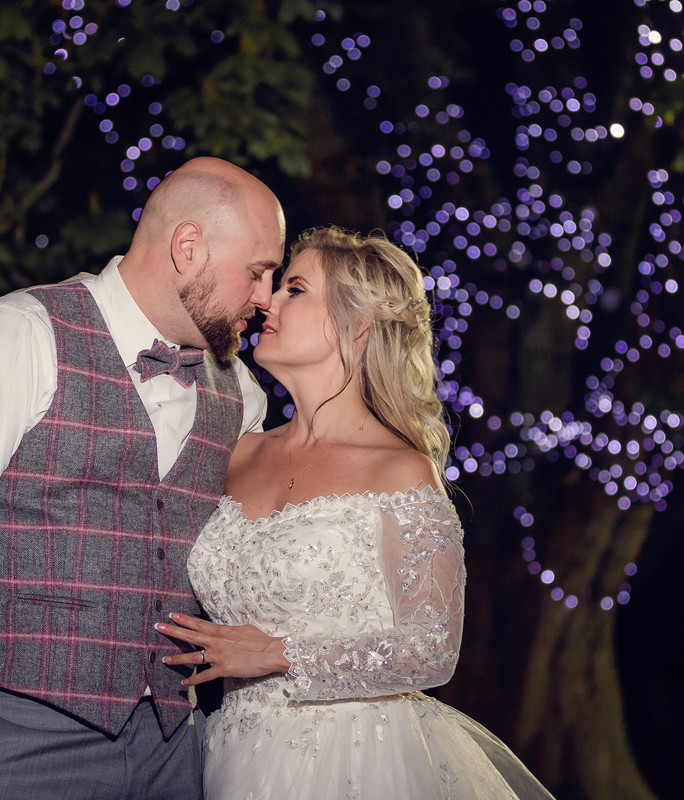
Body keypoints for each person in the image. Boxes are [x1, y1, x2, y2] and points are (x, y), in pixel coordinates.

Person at [0, 156, 286, 799]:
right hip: (16, 740)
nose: (265, 299)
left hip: (175, 752)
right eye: (258, 271)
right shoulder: (12, 337)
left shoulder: (241, 392)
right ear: (189, 247)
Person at [157, 225, 554, 798]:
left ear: (357, 324)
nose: (266, 300)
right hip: (229, 757)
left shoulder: (399, 471)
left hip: (360, 762)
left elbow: (431, 652)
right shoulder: (237, 452)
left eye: (295, 288)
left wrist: (275, 653)